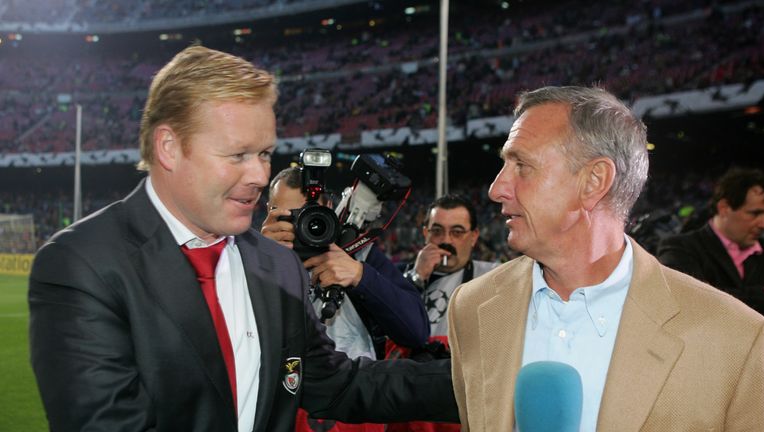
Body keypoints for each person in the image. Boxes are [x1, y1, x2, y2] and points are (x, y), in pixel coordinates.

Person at [28, 45, 457, 432]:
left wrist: (483, 378)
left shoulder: (276, 264)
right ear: (168, 147)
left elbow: (338, 385)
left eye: (265, 153)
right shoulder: (81, 265)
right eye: (237, 155)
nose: (259, 176)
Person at [447, 86, 764, 431]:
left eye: (521, 165)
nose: (496, 188)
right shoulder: (472, 306)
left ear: (594, 180)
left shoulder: (738, 341)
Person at [261, 166, 429, 432]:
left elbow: (417, 332)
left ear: (328, 207)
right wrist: (261, 261)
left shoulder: (359, 255)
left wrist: (361, 277)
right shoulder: (252, 257)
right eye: (284, 214)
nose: (296, 226)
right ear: (269, 211)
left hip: (354, 417)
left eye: (306, 214)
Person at [388, 194, 497, 432]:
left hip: (461, 407)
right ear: (425, 233)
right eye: (437, 231)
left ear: (474, 236)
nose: (446, 240)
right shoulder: (397, 278)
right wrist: (416, 279)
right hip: (408, 406)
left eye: (457, 232)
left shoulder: (495, 278)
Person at [657, 167, 764, 316]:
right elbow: (690, 301)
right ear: (724, 208)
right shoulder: (678, 247)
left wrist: (713, 291)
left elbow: (707, 299)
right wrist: (763, 294)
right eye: (755, 213)